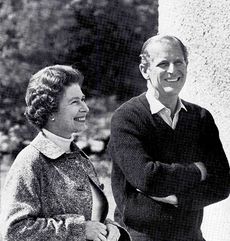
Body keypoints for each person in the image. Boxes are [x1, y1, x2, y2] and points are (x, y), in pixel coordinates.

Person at [108, 35, 230, 241]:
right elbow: (147, 178)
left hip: (191, 235)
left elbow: (222, 184)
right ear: (145, 70)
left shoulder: (200, 118)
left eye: (178, 62)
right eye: (163, 64)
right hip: (140, 236)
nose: (173, 70)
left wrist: (178, 198)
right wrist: (199, 170)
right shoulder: (127, 117)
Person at [0, 65, 131, 241]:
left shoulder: (80, 158)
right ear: (51, 110)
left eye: (83, 99)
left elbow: (89, 216)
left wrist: (109, 227)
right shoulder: (31, 160)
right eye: (74, 102)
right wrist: (79, 230)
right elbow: (13, 230)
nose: (85, 107)